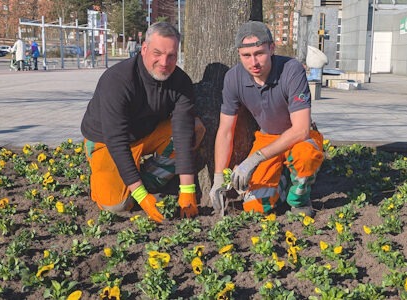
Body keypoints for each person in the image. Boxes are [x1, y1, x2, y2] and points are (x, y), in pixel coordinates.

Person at [80, 22, 204, 223]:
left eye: (171, 55)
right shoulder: (118, 80)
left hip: (144, 135)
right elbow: (116, 141)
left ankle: (143, 181)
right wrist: (140, 196)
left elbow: (182, 132)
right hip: (106, 142)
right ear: (144, 49)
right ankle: (128, 185)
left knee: (195, 128)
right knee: (116, 206)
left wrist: (188, 190)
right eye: (157, 53)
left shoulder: (181, 82)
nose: (164, 62)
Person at [209, 21, 325, 216]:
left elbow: (301, 129)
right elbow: (225, 131)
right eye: (246, 56)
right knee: (254, 208)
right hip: (267, 138)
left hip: (298, 138)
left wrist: (254, 159)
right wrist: (218, 177)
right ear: (239, 54)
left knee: (305, 156)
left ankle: (300, 199)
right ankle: (284, 180)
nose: (253, 62)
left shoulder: (292, 70)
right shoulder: (233, 78)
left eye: (259, 53)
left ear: (272, 48)